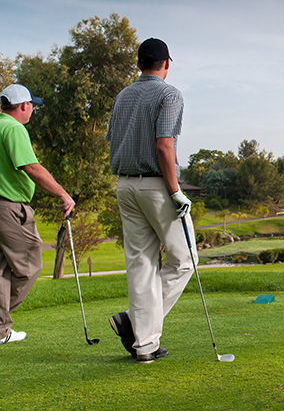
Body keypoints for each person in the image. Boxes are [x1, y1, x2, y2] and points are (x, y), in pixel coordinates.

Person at [105, 38, 195, 364]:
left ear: (139, 63)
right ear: (166, 63)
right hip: (157, 188)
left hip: (124, 186)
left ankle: (144, 346)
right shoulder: (169, 94)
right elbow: (164, 146)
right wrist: (175, 191)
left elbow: (115, 141)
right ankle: (133, 320)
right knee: (184, 260)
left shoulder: (123, 96)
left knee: (141, 264)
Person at [0, 84, 75, 345]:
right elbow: (31, 167)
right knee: (30, 266)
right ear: (23, 106)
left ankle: (1, 329)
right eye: (32, 105)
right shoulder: (13, 128)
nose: (32, 109)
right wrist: (63, 194)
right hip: (9, 208)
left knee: (2, 269)